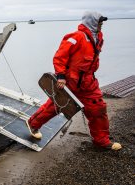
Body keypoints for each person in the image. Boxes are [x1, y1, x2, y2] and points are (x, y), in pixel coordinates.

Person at [26, 11, 122, 151]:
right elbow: (59, 57)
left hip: (89, 82)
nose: (101, 24)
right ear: (91, 22)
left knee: (98, 109)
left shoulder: (99, 37)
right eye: (99, 21)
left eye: (101, 22)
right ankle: (33, 124)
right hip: (70, 82)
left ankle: (101, 140)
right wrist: (61, 76)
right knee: (56, 106)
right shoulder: (75, 37)